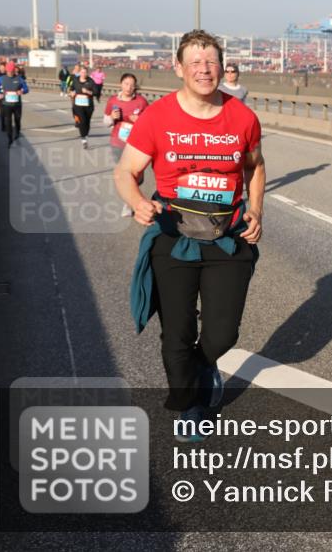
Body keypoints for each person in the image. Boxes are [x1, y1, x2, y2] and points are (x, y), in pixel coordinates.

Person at [115, 29, 264, 442]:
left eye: (211, 61)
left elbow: (255, 166)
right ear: (179, 68)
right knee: (177, 332)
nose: (205, 69)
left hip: (226, 238)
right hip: (173, 238)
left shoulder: (243, 117)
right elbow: (126, 171)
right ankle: (189, 405)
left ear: (222, 66)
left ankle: (205, 363)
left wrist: (256, 210)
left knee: (222, 334)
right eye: (195, 62)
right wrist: (138, 201)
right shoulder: (158, 116)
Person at [103, 73, 150, 217]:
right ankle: (128, 204)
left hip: (137, 144)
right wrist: (112, 118)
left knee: (138, 176)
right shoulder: (112, 101)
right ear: (121, 84)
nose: (129, 87)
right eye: (126, 84)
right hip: (118, 142)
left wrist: (140, 120)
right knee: (124, 173)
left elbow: (150, 123)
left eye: (131, 84)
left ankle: (131, 197)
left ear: (135, 86)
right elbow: (106, 122)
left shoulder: (141, 102)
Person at [0, 62, 29, 147]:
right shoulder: (1, 79)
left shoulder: (19, 78)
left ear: (14, 70)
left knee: (17, 120)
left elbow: (26, 89)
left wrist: (22, 91)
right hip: (6, 105)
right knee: (8, 122)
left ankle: (17, 133)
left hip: (17, 105)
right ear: (6, 70)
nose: (10, 72)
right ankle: (9, 139)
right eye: (8, 71)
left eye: (11, 71)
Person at [69, 65, 97, 149]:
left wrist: (88, 91)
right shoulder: (75, 80)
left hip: (88, 105)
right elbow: (71, 88)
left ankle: (85, 134)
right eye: (82, 72)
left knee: (87, 122)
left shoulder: (91, 81)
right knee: (82, 121)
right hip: (78, 105)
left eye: (85, 72)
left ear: (87, 73)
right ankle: (83, 138)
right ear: (79, 72)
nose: (83, 74)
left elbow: (95, 92)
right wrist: (71, 93)